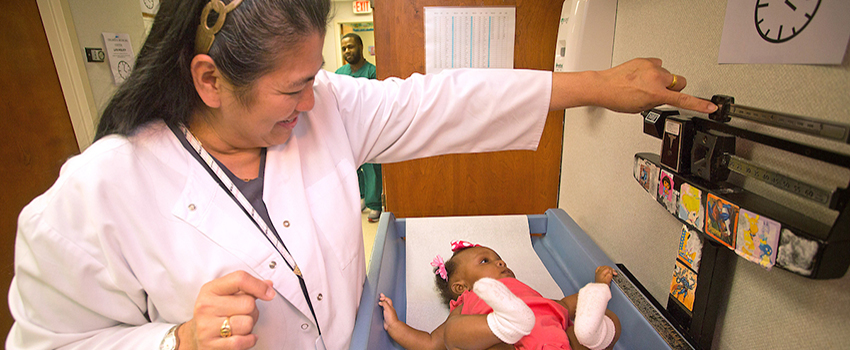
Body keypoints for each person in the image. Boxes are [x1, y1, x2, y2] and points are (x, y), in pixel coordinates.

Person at [6, 0, 717, 348]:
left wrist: (595, 84)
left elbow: (444, 101)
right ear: (209, 80)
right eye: (292, 89)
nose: (313, 102)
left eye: (314, 78)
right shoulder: (94, 198)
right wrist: (174, 341)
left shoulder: (326, 112)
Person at [378, 241, 621, 350]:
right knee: (454, 333)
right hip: (509, 344)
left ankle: (591, 333)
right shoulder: (466, 302)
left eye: (498, 258)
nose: (500, 261)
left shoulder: (529, 294)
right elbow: (432, 342)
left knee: (607, 317)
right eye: (486, 260)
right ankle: (503, 324)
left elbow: (563, 305)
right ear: (461, 287)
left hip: (559, 340)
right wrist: (396, 327)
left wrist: (596, 288)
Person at [334, 33, 382, 222]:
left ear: (361, 47)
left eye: (351, 47)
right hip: (345, 127)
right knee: (353, 165)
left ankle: (375, 203)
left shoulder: (372, 72)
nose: (347, 51)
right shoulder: (339, 73)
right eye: (344, 48)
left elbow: (375, 100)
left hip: (367, 127)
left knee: (371, 167)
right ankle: (361, 197)